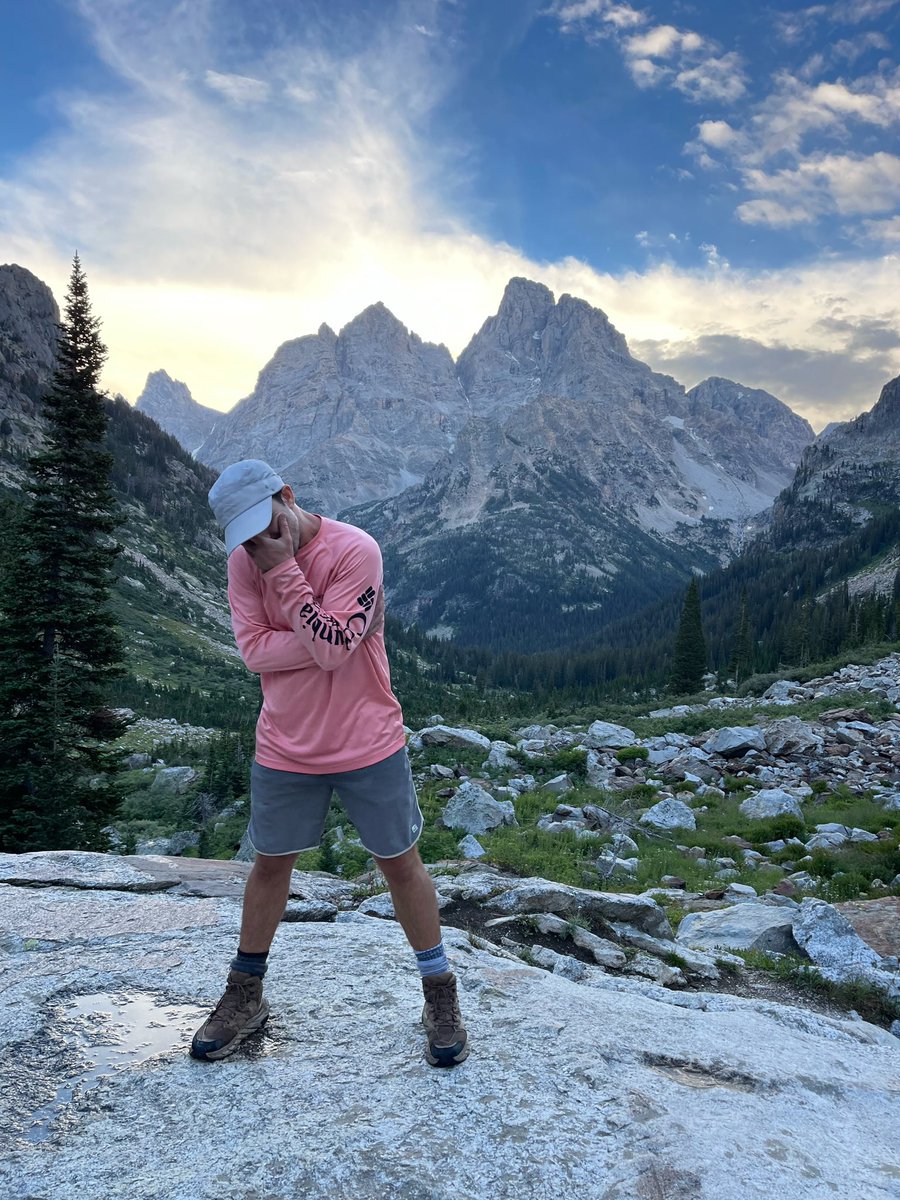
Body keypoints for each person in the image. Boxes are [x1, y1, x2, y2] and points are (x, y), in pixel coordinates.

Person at [191, 459, 468, 1068]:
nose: (257, 545)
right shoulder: (243, 561)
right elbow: (253, 652)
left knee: (400, 865)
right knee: (269, 867)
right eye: (244, 537)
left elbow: (334, 647)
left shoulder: (354, 551)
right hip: (286, 744)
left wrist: (288, 580)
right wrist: (323, 645)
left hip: (368, 740)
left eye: (265, 526)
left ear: (286, 497)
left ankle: (439, 993)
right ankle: (244, 994)